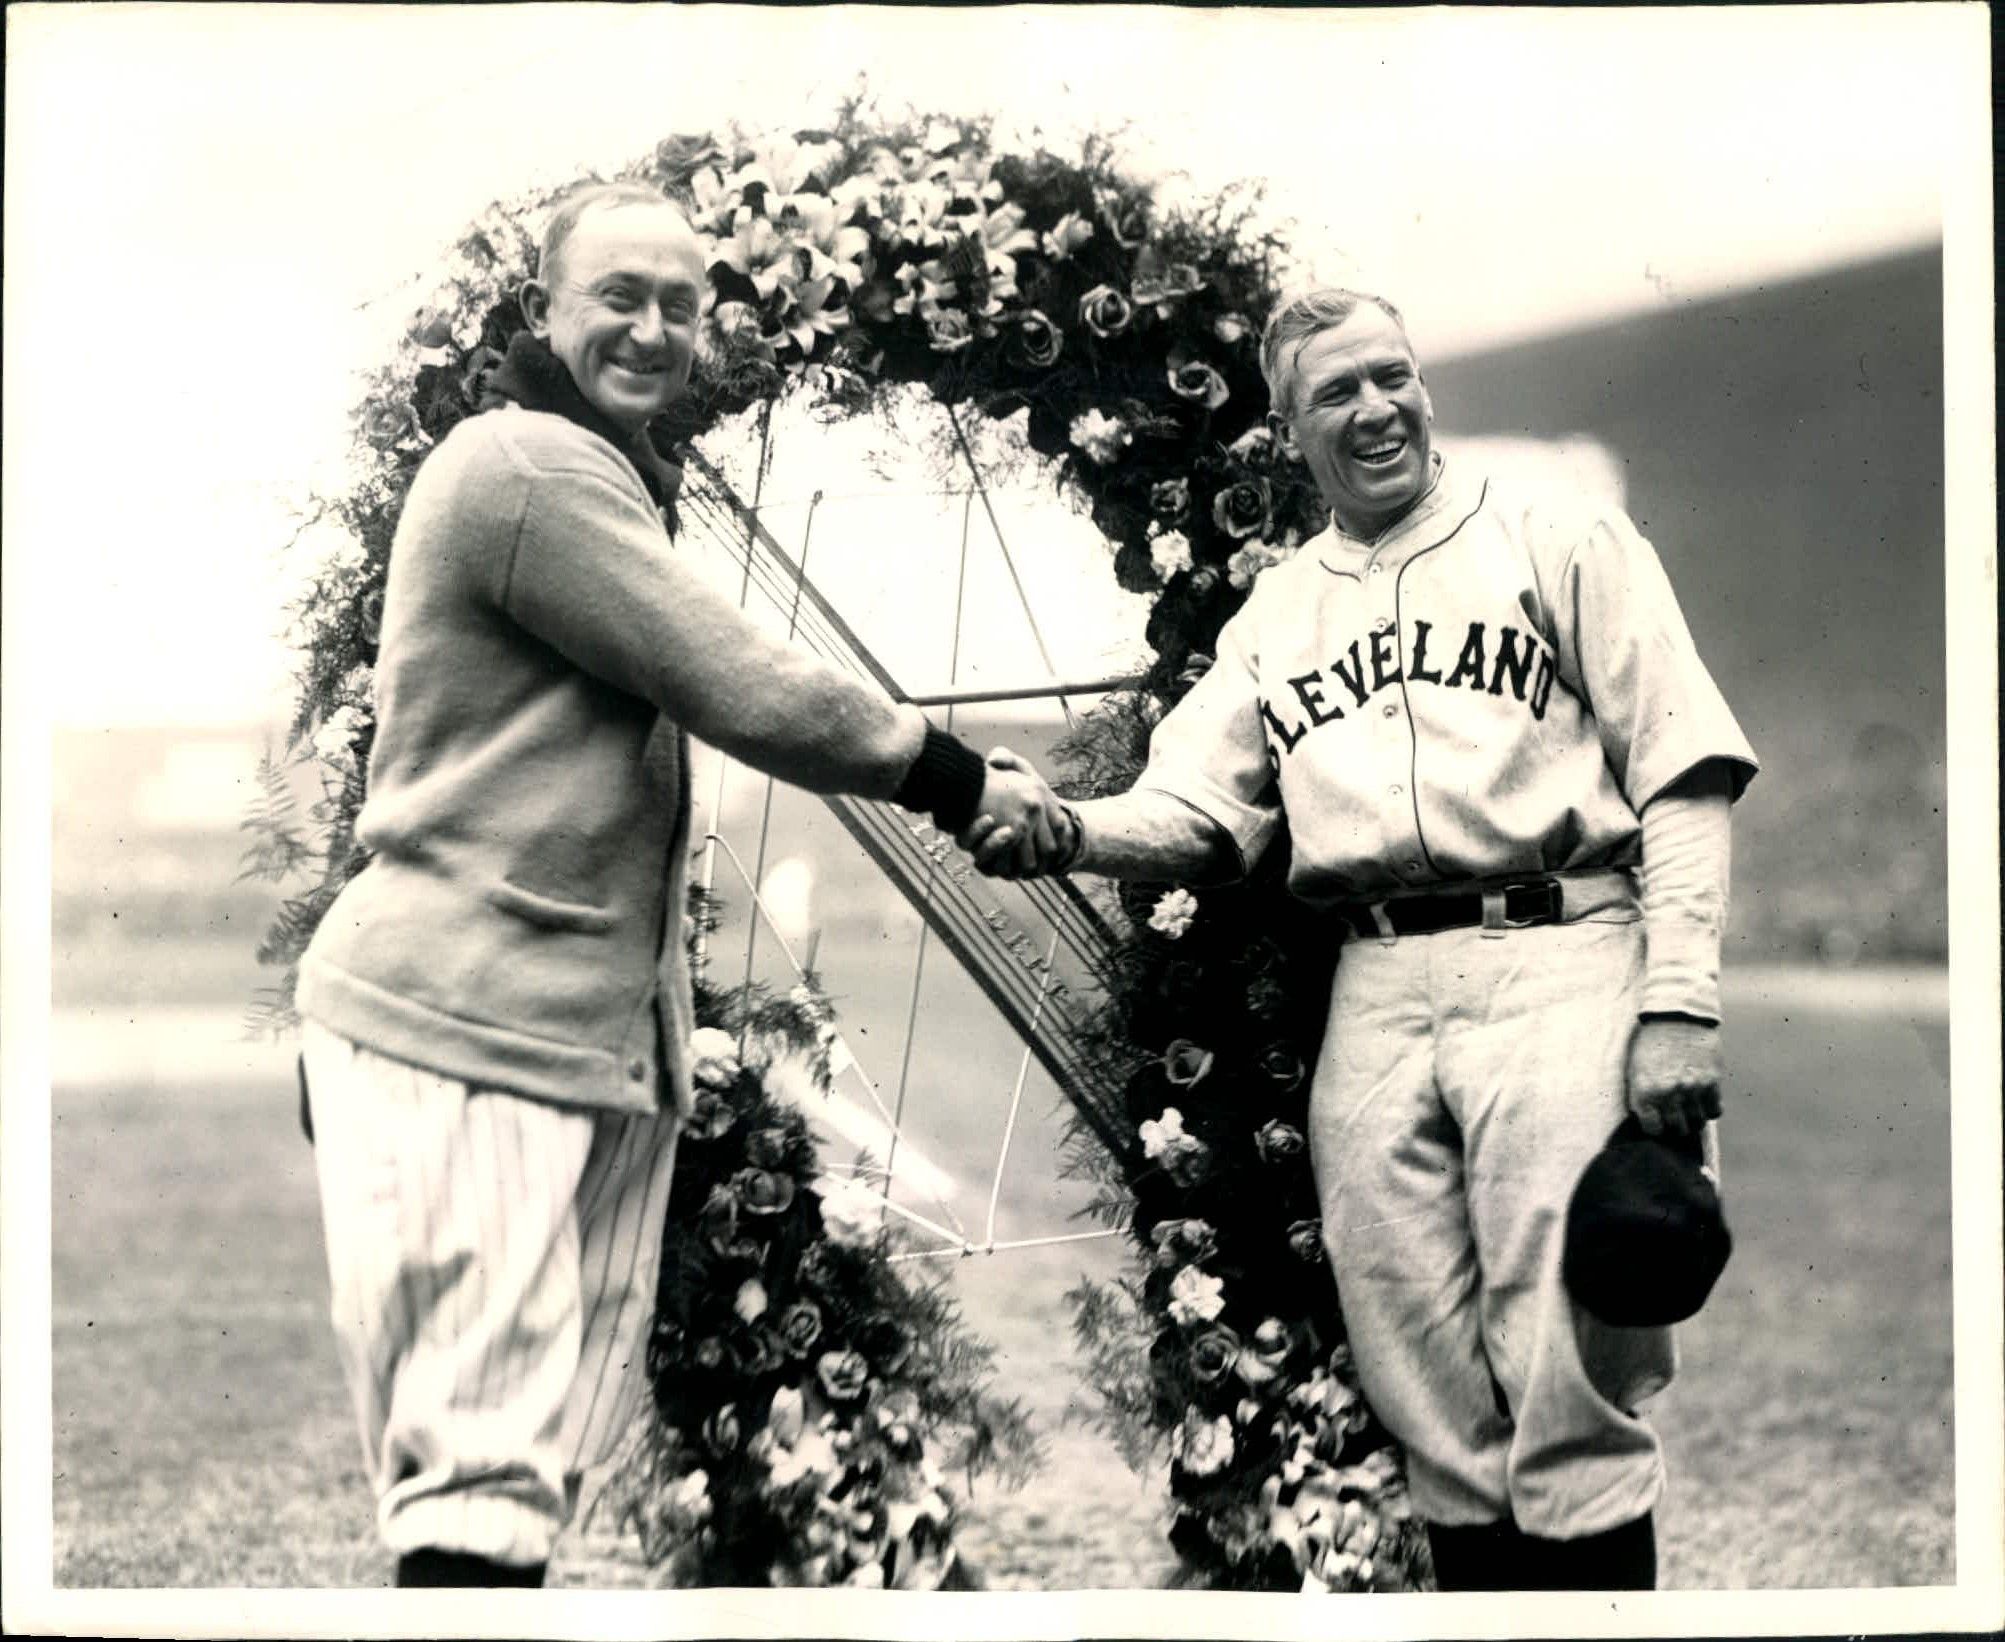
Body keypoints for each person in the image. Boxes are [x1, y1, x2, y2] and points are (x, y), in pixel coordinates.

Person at [294, 181, 1065, 1588]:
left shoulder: (598, 473)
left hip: (559, 1030)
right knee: (480, 1462)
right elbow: (739, 682)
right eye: (617, 298)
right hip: (467, 1020)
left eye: (680, 305)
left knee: (529, 1455)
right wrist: (956, 778)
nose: (652, 331)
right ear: (540, 314)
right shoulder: (526, 465)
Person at [972, 288, 1758, 1591]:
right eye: (1337, 391)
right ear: (1290, 432)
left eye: (1394, 374)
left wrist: (1678, 1000)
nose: (1378, 407)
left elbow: (1683, 770)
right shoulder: (1279, 612)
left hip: (1558, 949)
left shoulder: (1558, 535)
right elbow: (1196, 809)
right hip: (1380, 984)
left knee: (1566, 1373)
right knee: (1420, 1378)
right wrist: (1068, 829)